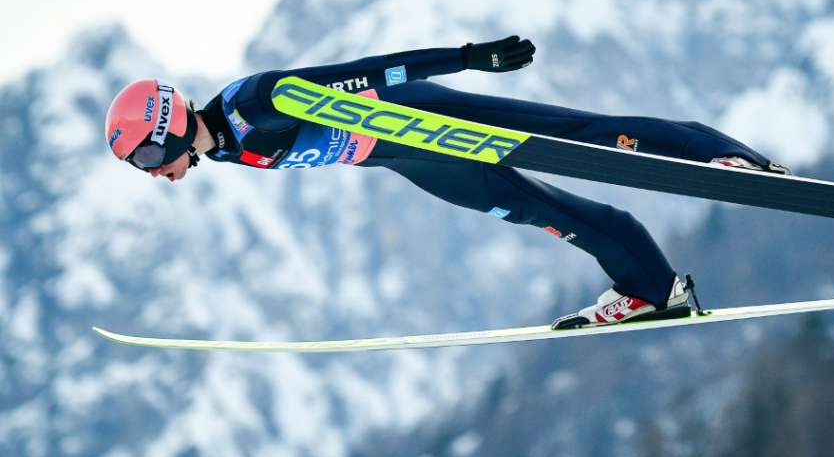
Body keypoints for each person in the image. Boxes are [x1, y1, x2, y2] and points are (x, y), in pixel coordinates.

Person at [104, 36, 788, 330]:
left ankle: (720, 155)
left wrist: (466, 58)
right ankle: (652, 289)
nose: (154, 173)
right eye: (139, 167)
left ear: (167, 126)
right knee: (539, 210)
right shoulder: (225, 150)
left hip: (422, 118)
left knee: (578, 134)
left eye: (146, 157)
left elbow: (366, 73)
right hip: (413, 160)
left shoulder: (257, 102)